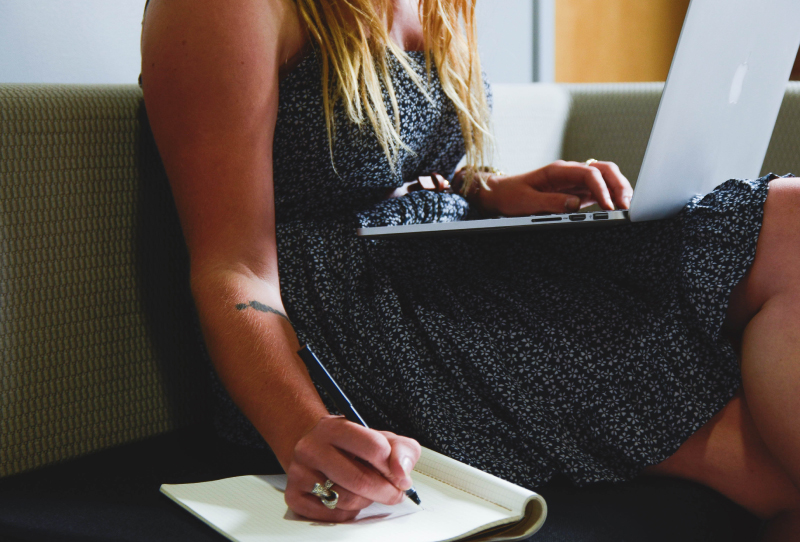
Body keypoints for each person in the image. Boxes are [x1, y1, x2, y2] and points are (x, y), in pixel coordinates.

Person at [140, 0, 800, 538]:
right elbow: (233, 268)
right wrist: (302, 431)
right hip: (345, 323)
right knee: (767, 470)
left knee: (790, 217)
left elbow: (387, 160)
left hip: (441, 262)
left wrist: (484, 191)